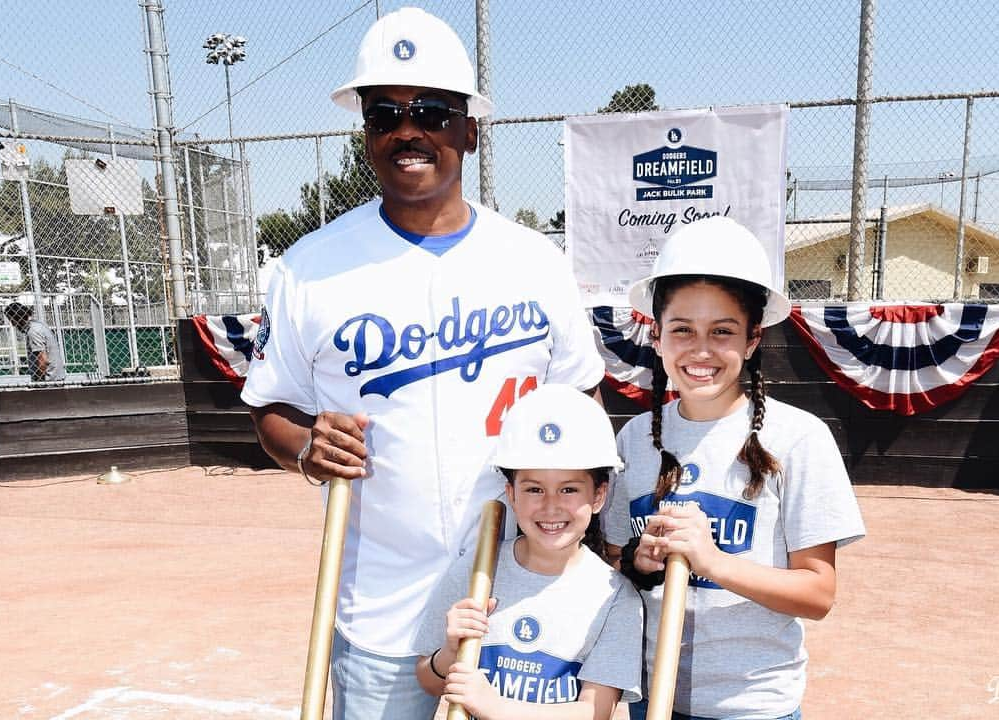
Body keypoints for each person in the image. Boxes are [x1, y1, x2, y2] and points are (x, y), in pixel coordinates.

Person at [240, 8, 604, 719]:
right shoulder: (308, 268)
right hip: (379, 614)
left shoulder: (535, 262)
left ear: (470, 129)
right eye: (386, 115)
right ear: (366, 134)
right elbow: (272, 408)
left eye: (432, 112)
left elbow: (583, 412)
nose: (409, 131)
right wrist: (310, 448)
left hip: (522, 605)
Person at [603, 217, 866, 720]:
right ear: (656, 337)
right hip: (652, 697)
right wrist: (639, 564)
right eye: (682, 330)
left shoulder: (798, 438)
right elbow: (615, 559)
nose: (701, 350)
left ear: (751, 340)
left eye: (722, 332)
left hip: (755, 706)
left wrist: (713, 561)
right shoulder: (634, 438)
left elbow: (818, 593)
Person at [414, 384, 642, 719]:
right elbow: (429, 680)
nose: (551, 506)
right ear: (511, 493)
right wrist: (450, 654)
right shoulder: (478, 570)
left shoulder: (614, 599)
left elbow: (596, 713)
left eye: (569, 489)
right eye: (534, 489)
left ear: (599, 496)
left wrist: (496, 708)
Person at [5, 302, 67, 382]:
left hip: (49, 381)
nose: (13, 324)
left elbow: (43, 360)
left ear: (18, 317)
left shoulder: (33, 331)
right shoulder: (38, 325)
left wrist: (39, 382)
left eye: (12, 320)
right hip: (55, 378)